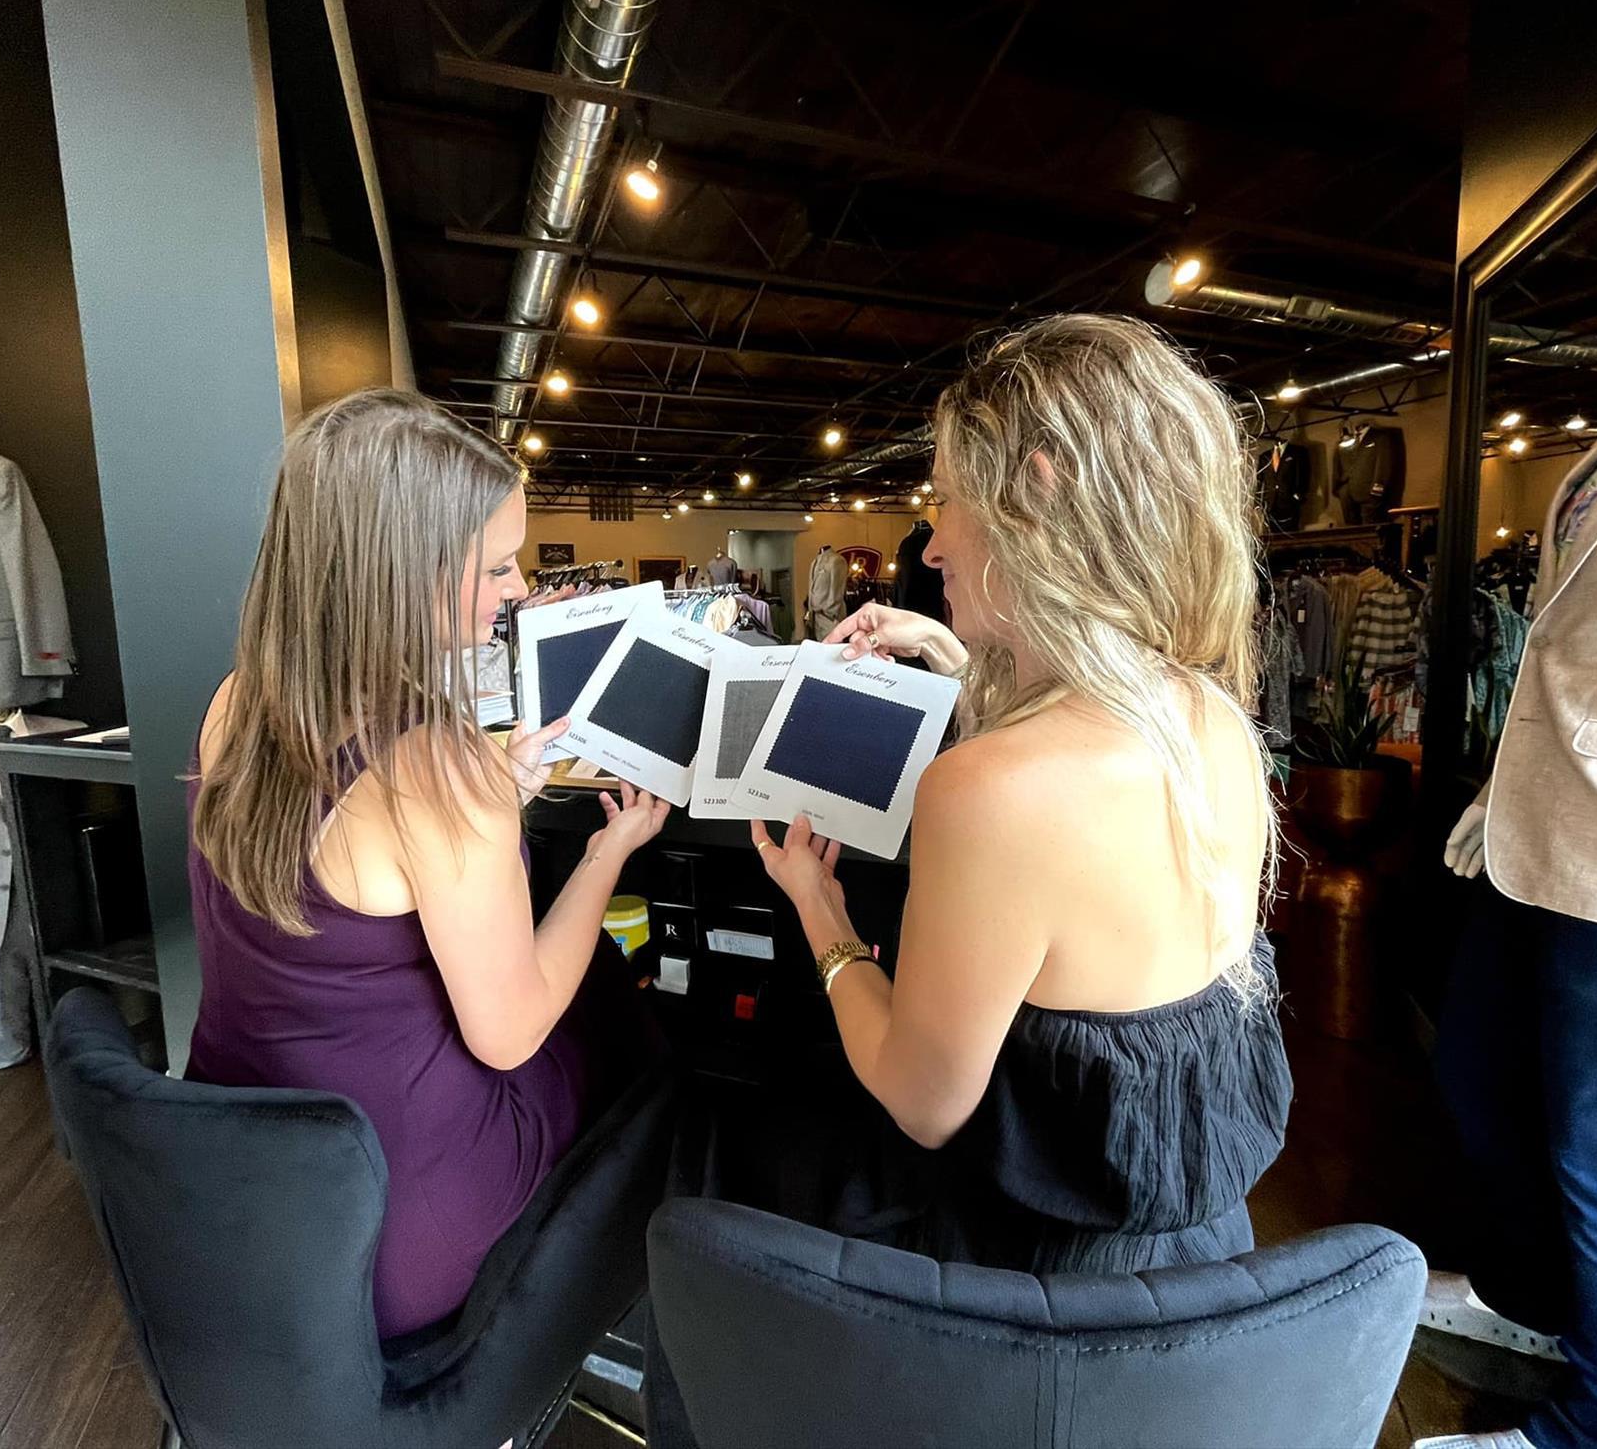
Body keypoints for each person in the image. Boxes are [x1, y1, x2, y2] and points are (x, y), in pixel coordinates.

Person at [752, 312, 1293, 1275]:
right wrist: (960, 663)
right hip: (1206, 1257)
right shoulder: (1213, 719)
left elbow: (924, 1104)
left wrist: (818, 908)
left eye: (948, 500)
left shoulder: (986, 793)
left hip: (1044, 1298)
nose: (930, 547)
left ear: (1034, 497)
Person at [186, 388, 669, 1339]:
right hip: (395, 1231)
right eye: (495, 566)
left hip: (242, 1178)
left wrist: (491, 807)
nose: (519, 588)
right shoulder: (436, 763)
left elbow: (353, 868)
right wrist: (608, 852)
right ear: (400, 572)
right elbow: (512, 1033)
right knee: (622, 1016)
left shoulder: (235, 701)